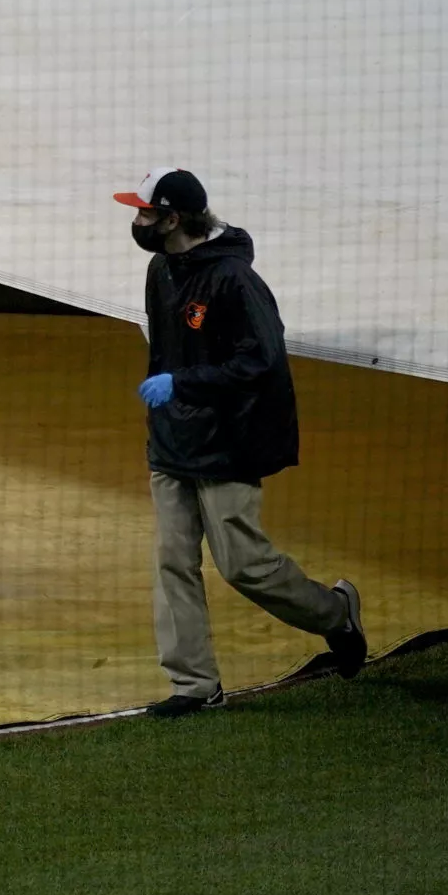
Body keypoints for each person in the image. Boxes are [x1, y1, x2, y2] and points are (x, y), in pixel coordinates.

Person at [117, 167, 367, 717]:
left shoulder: (234, 279)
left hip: (226, 444)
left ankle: (336, 614)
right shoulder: (161, 270)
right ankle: (195, 685)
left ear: (172, 218)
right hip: (172, 442)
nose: (136, 221)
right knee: (172, 561)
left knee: (243, 565)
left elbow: (261, 361)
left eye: (143, 212)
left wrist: (183, 384)